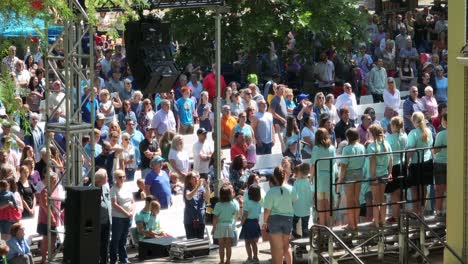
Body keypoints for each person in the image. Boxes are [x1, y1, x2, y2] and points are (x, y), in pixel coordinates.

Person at [263, 167, 297, 264]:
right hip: (288, 219)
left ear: (274, 177)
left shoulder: (271, 192)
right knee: (287, 246)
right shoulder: (292, 189)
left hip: (274, 220)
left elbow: (267, 210)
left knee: (278, 248)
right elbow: (294, 201)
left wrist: (265, 222)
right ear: (285, 175)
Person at [337, 128, 366, 231]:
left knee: (350, 200)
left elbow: (344, 166)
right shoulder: (362, 147)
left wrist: (340, 178)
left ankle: (351, 224)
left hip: (349, 175)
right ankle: (355, 223)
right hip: (359, 173)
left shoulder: (347, 149)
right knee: (356, 199)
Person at [406, 112, 434, 216]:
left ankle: (415, 211)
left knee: (414, 188)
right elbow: (430, 146)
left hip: (416, 164)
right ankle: (421, 212)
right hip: (427, 162)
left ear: (413, 121)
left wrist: (405, 162)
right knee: (424, 188)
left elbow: (411, 150)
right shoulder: (429, 131)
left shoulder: (413, 133)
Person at [367, 124, 393, 228]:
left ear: (372, 134)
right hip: (384, 174)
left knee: (375, 200)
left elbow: (372, 162)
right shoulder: (387, 144)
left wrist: (373, 176)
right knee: (382, 199)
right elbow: (391, 159)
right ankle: (383, 220)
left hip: (375, 176)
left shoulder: (371, 146)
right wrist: (390, 173)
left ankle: (376, 222)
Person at [310, 128, 336, 226]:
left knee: (321, 205)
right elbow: (334, 163)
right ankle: (329, 227)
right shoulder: (332, 148)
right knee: (328, 204)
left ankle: (322, 227)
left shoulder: (316, 148)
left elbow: (313, 165)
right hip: (329, 177)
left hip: (319, 178)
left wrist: (310, 178)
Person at [385, 116, 407, 223]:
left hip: (394, 166)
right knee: (401, 192)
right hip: (403, 165)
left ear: (393, 125)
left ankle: (395, 216)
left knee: (394, 193)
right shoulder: (405, 136)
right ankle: (400, 215)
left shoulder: (389, 138)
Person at [110, 169, 135, 264]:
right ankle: (113, 260)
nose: (122, 179)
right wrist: (126, 213)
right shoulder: (113, 189)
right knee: (116, 239)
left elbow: (133, 201)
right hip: (118, 218)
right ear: (116, 178)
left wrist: (132, 211)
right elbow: (114, 204)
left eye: (123, 176)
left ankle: (123, 258)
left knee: (124, 239)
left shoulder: (127, 187)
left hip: (128, 217)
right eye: (120, 177)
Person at [212, 183, 239, 264]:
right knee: (228, 245)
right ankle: (228, 261)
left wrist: (214, 228)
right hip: (229, 225)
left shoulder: (218, 205)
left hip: (220, 225)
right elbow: (236, 215)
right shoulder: (233, 204)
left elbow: (215, 218)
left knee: (221, 245)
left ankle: (221, 261)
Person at [37, 172, 60, 264]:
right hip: (46, 220)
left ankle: (50, 259)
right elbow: (45, 206)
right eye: (53, 179)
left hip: (55, 219)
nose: (55, 181)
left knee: (53, 240)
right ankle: (43, 260)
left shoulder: (57, 189)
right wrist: (52, 218)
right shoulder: (45, 191)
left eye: (55, 179)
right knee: (46, 240)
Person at [184, 171, 211, 239]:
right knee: (191, 241)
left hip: (200, 218)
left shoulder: (201, 188)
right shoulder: (187, 189)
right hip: (190, 220)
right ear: (189, 180)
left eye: (197, 176)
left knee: (200, 240)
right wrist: (197, 187)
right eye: (194, 177)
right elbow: (188, 197)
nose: (196, 178)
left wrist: (207, 186)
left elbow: (207, 198)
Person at [239, 184, 262, 263]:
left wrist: (241, 223)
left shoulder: (247, 203)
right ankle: (256, 257)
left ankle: (249, 258)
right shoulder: (258, 204)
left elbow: (245, 215)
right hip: (255, 223)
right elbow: (258, 216)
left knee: (247, 242)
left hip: (248, 223)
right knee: (254, 243)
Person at [292, 163, 313, 238]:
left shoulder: (296, 182)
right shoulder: (309, 182)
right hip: (307, 208)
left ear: (300, 172)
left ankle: (295, 235)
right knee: (305, 226)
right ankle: (305, 242)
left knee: (293, 222)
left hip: (297, 207)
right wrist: (311, 203)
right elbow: (311, 194)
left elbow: (294, 195)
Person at [95, 169, 112, 264]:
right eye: (106, 176)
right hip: (98, 223)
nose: (108, 178)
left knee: (105, 244)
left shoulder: (105, 187)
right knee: (97, 244)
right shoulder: (92, 189)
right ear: (100, 179)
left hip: (107, 221)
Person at [433, 113, 447, 217]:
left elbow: (435, 150)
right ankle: (447, 210)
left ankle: (438, 211)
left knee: (439, 190)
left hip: (440, 164)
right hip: (451, 163)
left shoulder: (441, 134)